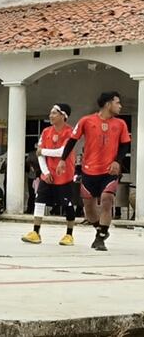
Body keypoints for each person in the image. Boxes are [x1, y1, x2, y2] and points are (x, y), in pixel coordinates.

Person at [58, 91, 130, 251]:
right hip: (89, 171)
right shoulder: (86, 120)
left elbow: (125, 144)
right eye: (117, 102)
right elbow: (72, 140)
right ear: (108, 104)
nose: (120, 106)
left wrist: (117, 161)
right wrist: (62, 160)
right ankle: (100, 229)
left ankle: (101, 238)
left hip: (109, 172)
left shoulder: (121, 124)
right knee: (89, 208)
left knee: (106, 200)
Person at [23, 103, 77, 246]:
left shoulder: (70, 132)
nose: (50, 115)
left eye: (54, 113)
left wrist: (43, 151)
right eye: (51, 113)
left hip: (65, 174)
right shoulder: (46, 131)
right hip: (48, 175)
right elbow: (38, 154)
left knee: (68, 205)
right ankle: (35, 232)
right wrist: (45, 172)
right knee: (39, 201)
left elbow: (62, 151)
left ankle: (69, 234)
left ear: (63, 115)